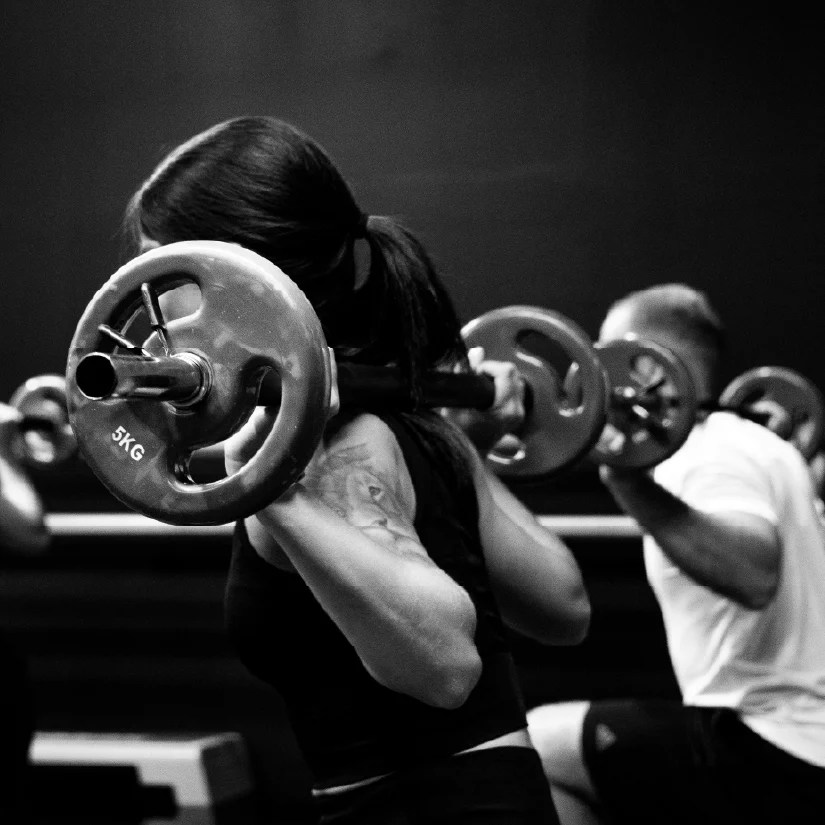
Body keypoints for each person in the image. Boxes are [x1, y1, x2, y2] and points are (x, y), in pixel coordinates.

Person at [124, 115, 591, 823]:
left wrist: (270, 488)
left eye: (167, 278)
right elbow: (561, 607)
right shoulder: (422, 422)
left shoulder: (332, 456)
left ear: (245, 271)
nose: (152, 320)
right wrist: (461, 453)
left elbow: (446, 667)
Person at [528, 283, 825, 825]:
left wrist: (627, 482)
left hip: (775, 743)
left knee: (537, 750)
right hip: (792, 742)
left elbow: (755, 574)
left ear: (646, 366)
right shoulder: (759, 445)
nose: (597, 375)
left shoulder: (709, 452)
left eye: (608, 351)